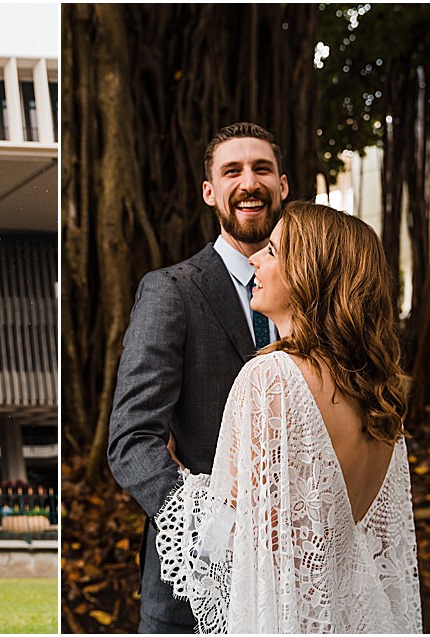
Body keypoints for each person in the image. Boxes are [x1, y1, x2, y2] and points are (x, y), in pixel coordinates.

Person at [154, 202, 419, 632]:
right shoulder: (379, 397)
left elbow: (230, 540)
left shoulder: (272, 377)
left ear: (310, 274)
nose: (255, 257)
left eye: (274, 251)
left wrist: (181, 483)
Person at [107, 122, 288, 632]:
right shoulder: (171, 291)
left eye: (262, 169)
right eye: (232, 171)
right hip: (196, 577)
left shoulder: (312, 296)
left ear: (284, 185)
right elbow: (132, 440)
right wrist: (211, 530)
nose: (248, 182)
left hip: (295, 567)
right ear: (210, 192)